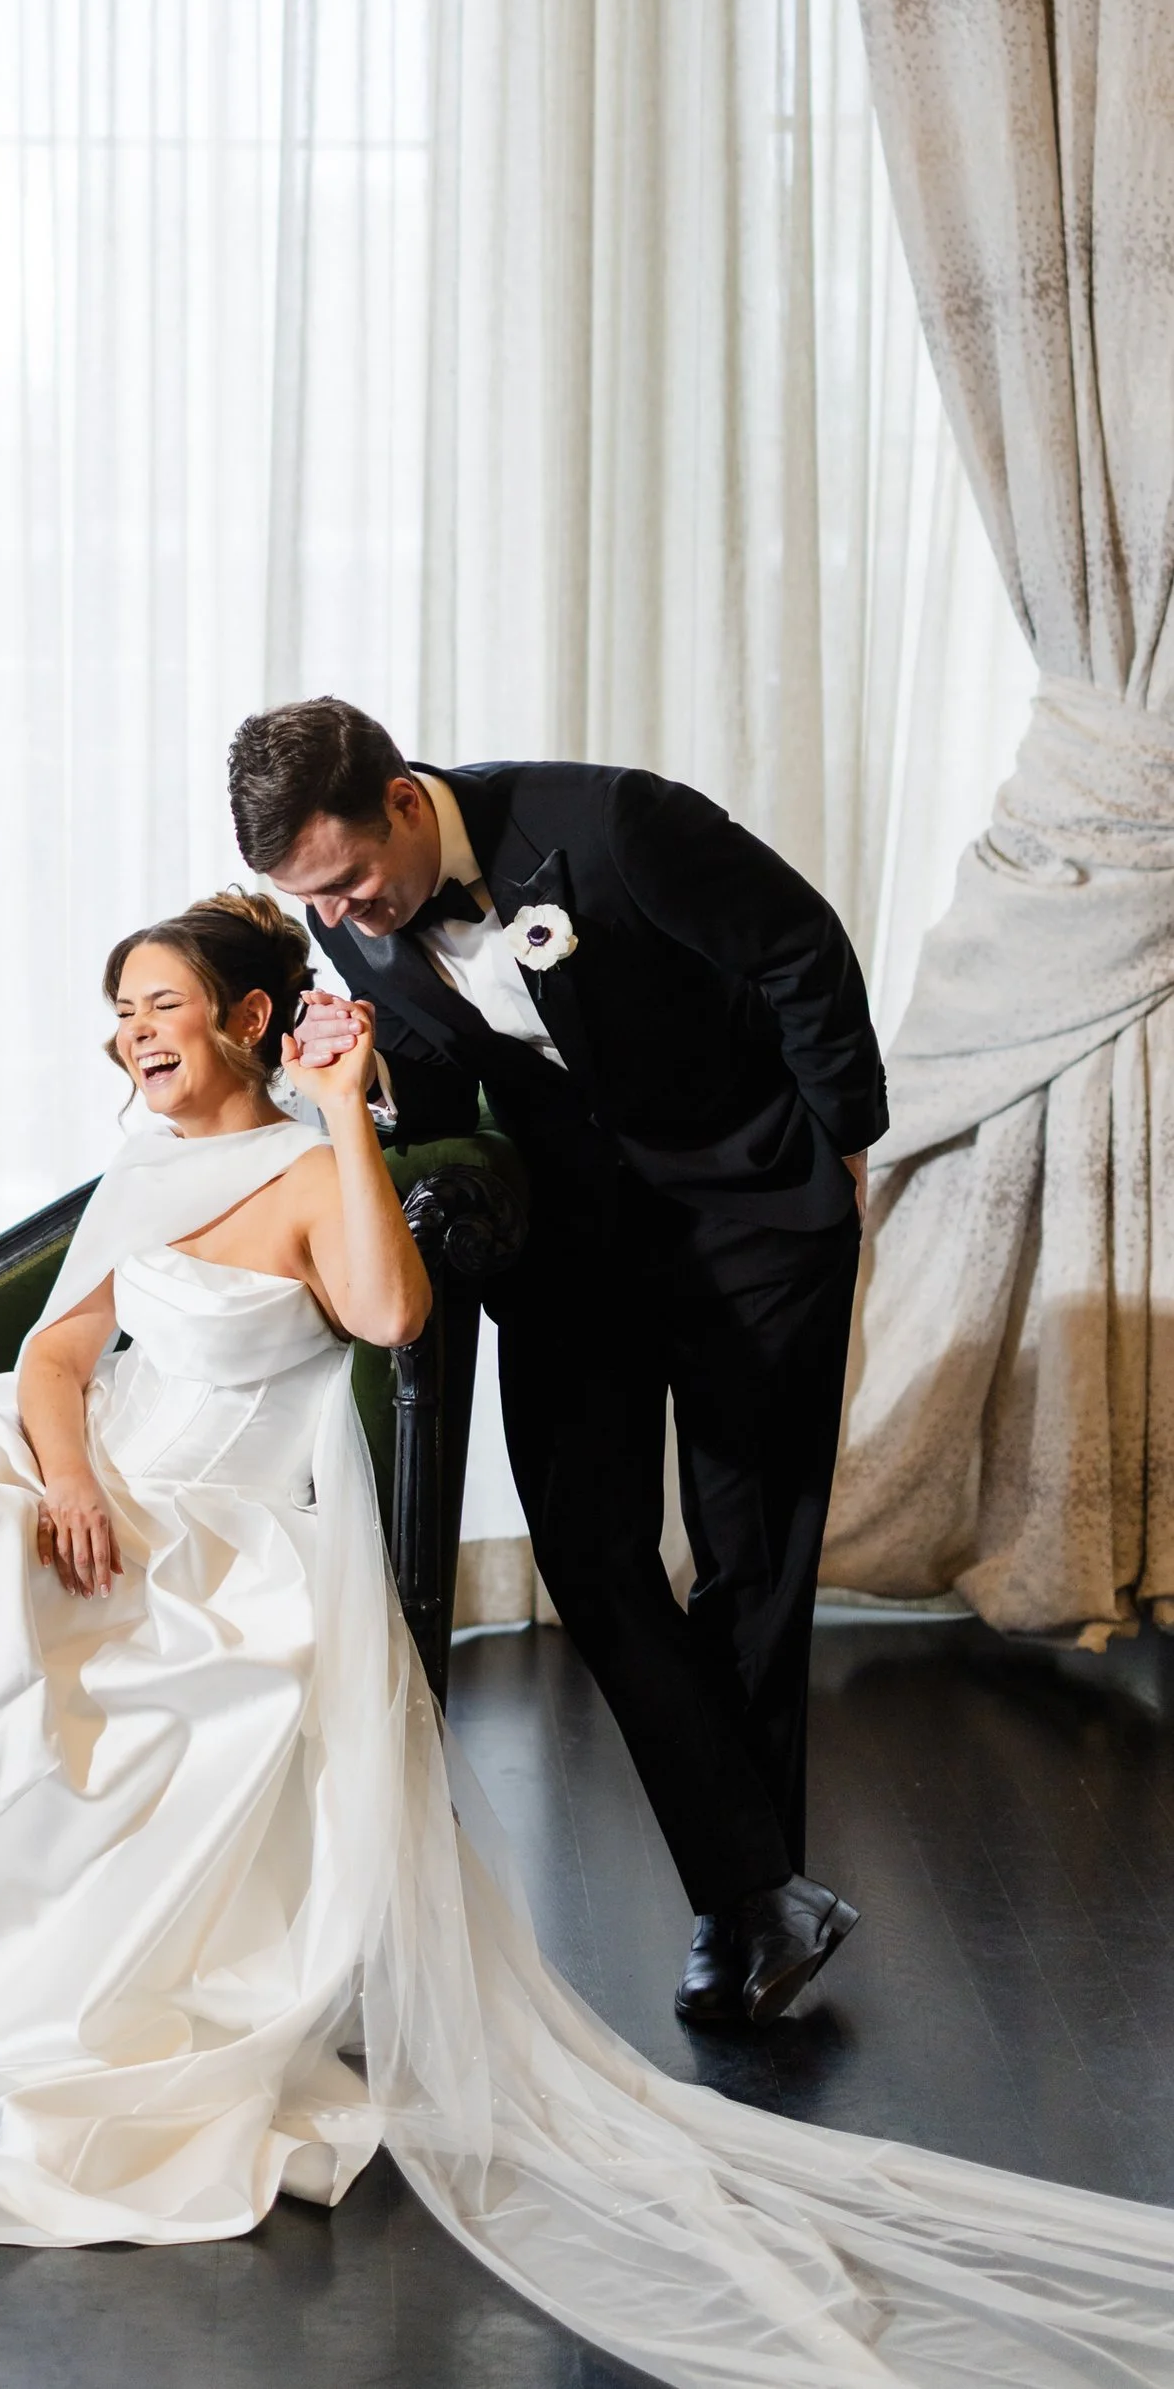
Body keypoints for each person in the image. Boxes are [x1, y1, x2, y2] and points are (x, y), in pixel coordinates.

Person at [0, 896, 1174, 2378]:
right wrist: (68, 1465)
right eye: (118, 1018)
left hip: (215, 1519)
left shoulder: (318, 1164)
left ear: (252, 1018)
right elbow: (46, 1354)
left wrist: (347, 1109)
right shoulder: (141, 1159)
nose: (132, 1041)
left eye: (160, 1011)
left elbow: (396, 1317)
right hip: (87, 1464)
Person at [224, 697, 879, 2035]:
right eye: (314, 902)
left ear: (404, 800)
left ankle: (740, 1904)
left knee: (751, 1556)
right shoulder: (356, 919)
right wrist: (361, 1089)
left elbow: (799, 947)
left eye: (351, 882)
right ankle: (760, 1882)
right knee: (586, 1549)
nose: (346, 919)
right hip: (574, 1243)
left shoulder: (609, 823)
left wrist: (843, 1154)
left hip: (753, 1217)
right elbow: (439, 1065)